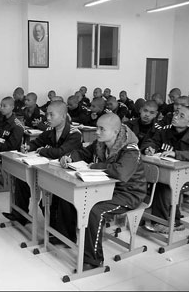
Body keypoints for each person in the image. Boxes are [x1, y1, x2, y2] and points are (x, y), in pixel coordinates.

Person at [60, 113, 147, 270]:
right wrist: (70, 157)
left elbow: (122, 173)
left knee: (95, 211)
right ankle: (67, 237)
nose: (97, 132)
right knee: (71, 195)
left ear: (115, 132)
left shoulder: (130, 150)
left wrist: (95, 166)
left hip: (129, 193)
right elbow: (83, 153)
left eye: (101, 129)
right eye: (96, 128)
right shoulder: (100, 144)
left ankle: (94, 260)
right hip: (106, 188)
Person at [2, 102, 82, 241]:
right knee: (22, 179)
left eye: (52, 114)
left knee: (51, 201)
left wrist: (42, 150)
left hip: (66, 176)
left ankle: (61, 233)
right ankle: (20, 215)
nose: (47, 117)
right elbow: (37, 143)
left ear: (63, 116)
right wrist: (28, 147)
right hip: (49, 170)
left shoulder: (74, 134)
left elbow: (60, 152)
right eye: (47, 114)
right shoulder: (50, 131)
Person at [141, 106, 189, 233]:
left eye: (181, 116)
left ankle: (161, 221)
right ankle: (171, 220)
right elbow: (150, 141)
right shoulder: (165, 131)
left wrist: (177, 154)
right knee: (155, 180)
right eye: (176, 113)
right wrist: (149, 148)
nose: (175, 116)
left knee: (165, 185)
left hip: (186, 178)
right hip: (167, 172)